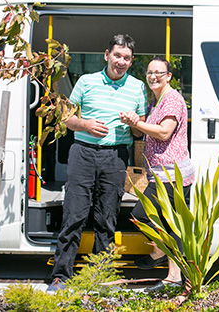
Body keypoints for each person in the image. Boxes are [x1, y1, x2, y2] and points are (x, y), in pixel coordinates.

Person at [47, 34, 147, 292]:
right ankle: (61, 276)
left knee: (107, 219)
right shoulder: (86, 81)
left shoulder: (137, 87)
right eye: (117, 56)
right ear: (106, 55)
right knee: (74, 215)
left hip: (115, 157)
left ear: (131, 61)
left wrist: (135, 122)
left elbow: (140, 133)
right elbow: (65, 117)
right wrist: (85, 125)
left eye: (126, 58)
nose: (121, 62)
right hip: (82, 152)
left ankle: (101, 278)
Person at [119, 56, 195, 292]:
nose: (153, 76)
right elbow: (144, 132)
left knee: (151, 218)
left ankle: (165, 262)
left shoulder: (172, 99)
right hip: (159, 175)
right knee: (160, 221)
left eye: (159, 73)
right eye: (150, 72)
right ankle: (168, 267)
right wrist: (134, 122)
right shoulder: (156, 100)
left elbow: (163, 132)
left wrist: (137, 123)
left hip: (173, 176)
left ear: (169, 76)